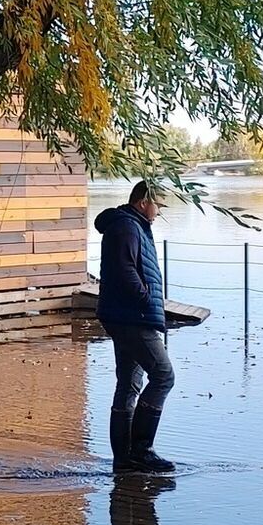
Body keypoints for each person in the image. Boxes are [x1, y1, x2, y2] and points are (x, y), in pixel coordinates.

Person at [93, 180, 175, 473]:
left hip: (126, 315)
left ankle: (124, 459)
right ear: (143, 202)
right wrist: (144, 297)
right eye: (158, 205)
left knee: (128, 384)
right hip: (132, 316)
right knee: (163, 376)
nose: (159, 211)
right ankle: (142, 450)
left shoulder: (132, 225)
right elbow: (124, 269)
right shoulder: (127, 227)